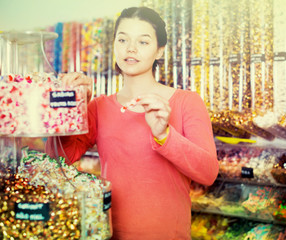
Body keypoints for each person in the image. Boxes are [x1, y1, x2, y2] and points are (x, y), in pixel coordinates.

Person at [46, 6, 219, 240]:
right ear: (114, 45)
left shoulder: (187, 102)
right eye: (123, 39)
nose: (131, 48)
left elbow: (208, 173)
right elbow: (57, 160)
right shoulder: (98, 106)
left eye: (143, 42)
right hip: (110, 234)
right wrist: (72, 107)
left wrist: (164, 134)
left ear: (160, 51)